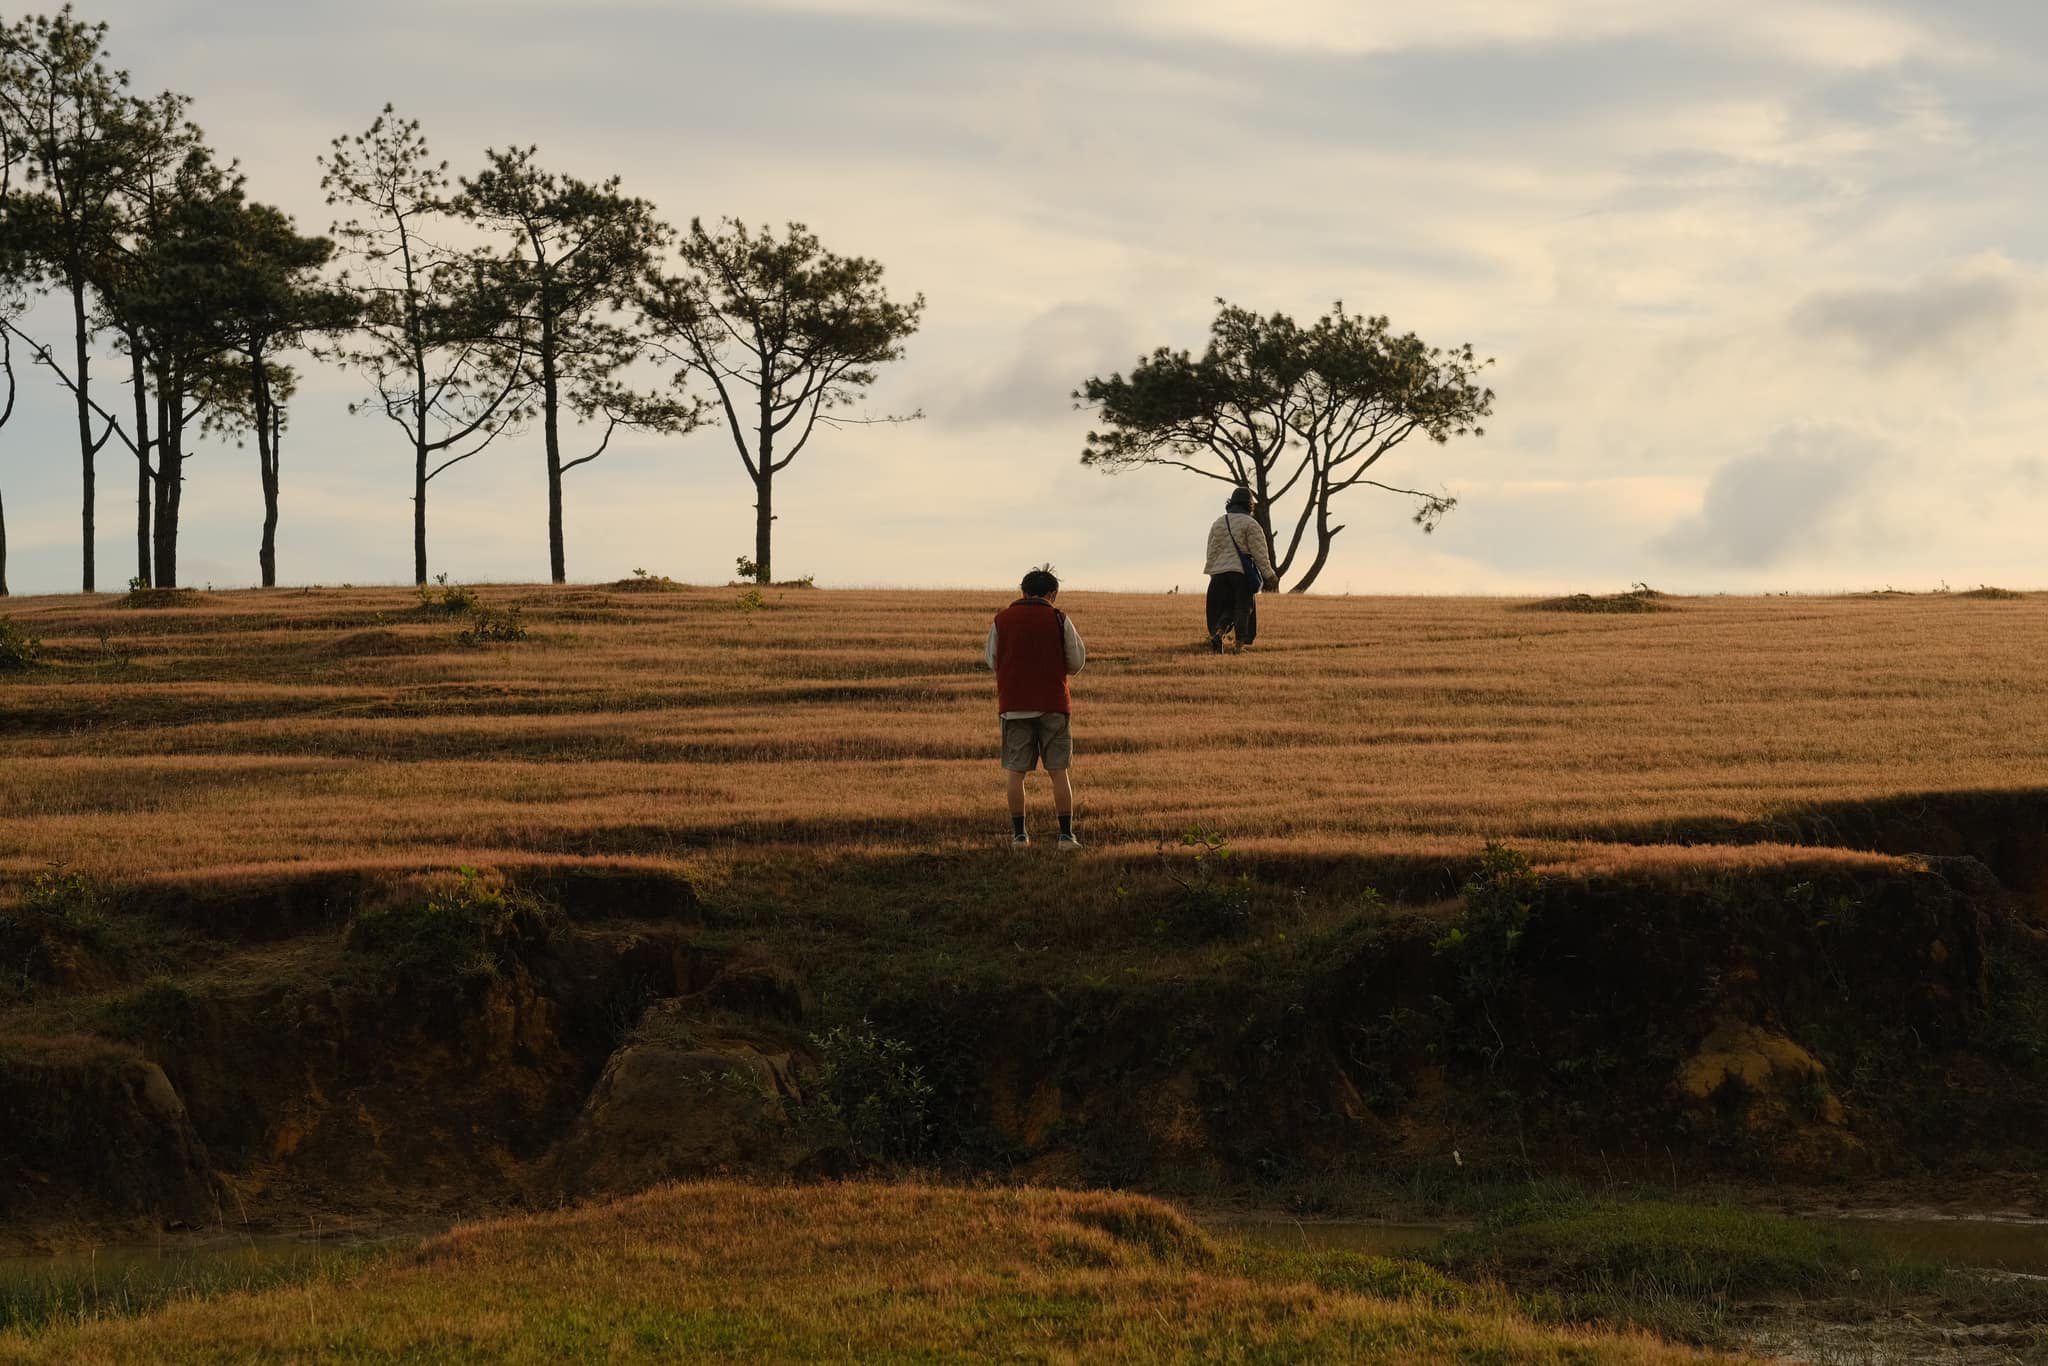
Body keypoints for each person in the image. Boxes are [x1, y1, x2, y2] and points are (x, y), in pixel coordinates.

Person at [984, 566, 1086, 848]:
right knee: (1058, 772)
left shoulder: (1001, 620)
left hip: (1014, 705)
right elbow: (1076, 662)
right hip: (1053, 704)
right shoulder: (1058, 619)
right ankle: (1065, 835)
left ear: (1022, 591)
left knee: (1016, 772)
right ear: (1052, 594)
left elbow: (992, 659)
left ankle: (1019, 835)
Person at [1205, 487, 1278, 652]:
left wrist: (1212, 572)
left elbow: (1211, 550)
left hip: (1218, 574)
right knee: (1243, 607)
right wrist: (1269, 575)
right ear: (1249, 505)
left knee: (1226, 608)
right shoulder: (1251, 524)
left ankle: (1218, 634)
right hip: (1240, 574)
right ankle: (1238, 646)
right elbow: (1260, 553)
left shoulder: (1218, 523)